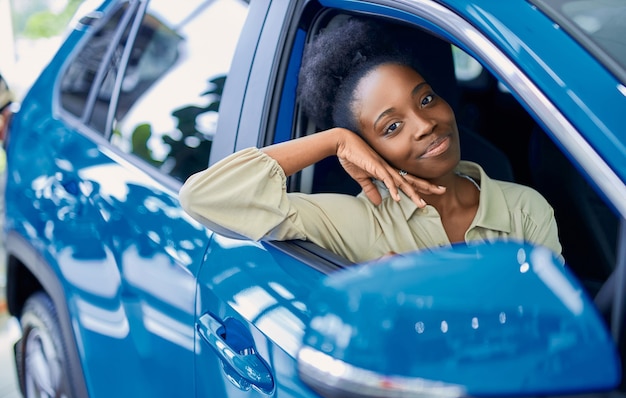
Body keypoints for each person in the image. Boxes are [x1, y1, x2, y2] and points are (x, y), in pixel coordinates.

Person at [179, 17, 561, 264]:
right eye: (391, 127)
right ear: (369, 149)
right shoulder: (361, 222)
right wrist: (336, 141)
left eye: (426, 99)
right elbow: (204, 198)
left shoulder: (524, 210)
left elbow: (554, 331)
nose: (425, 125)